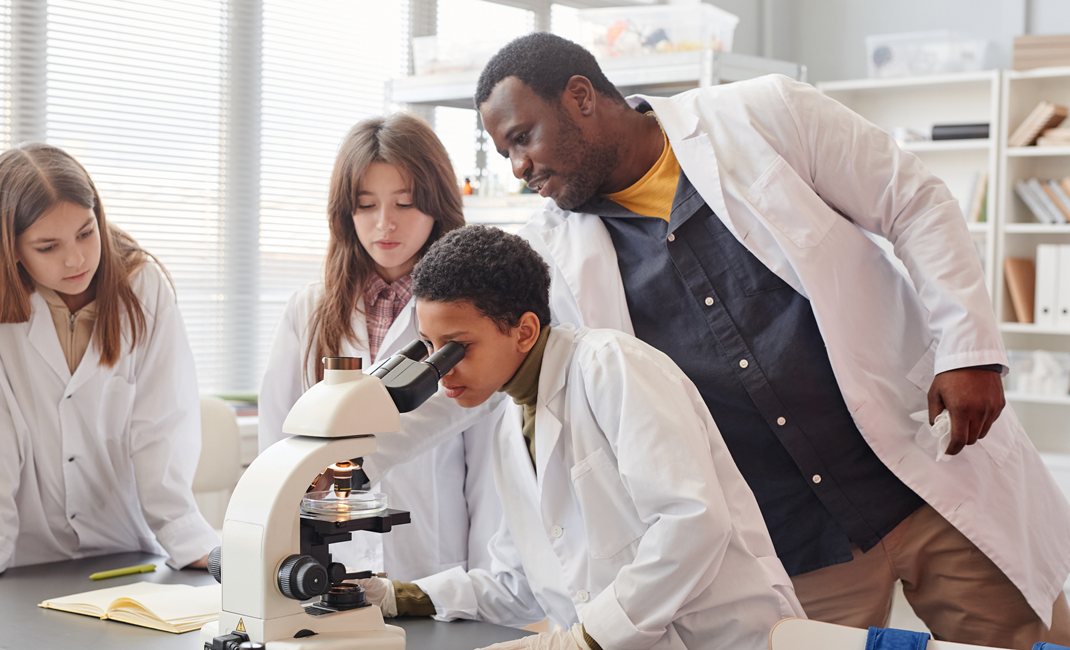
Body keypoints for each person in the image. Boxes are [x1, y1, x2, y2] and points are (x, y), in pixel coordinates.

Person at [471, 32, 1070, 646]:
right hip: (791, 542)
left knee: (1022, 640)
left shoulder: (762, 114)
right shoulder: (549, 255)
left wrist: (969, 351)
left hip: (924, 472)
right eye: (504, 152)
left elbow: (913, 203)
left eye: (523, 137)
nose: (519, 168)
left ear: (580, 97)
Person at [358, 225, 801, 650]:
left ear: (525, 331)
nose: (440, 369)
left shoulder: (612, 367)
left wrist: (585, 640)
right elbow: (521, 583)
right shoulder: (513, 422)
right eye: (428, 345)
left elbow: (693, 523)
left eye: (457, 347)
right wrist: (398, 596)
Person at [0, 143, 218, 581]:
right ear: (11, 247)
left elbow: (161, 425)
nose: (76, 258)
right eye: (48, 246)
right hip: (12, 558)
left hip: (121, 549)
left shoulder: (143, 285)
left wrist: (183, 532)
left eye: (86, 232)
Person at [258, 113, 503, 582]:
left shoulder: (470, 315)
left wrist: (485, 582)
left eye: (405, 203)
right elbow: (278, 440)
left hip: (437, 566)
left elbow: (489, 469)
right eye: (366, 205)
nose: (384, 224)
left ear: (437, 205)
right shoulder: (308, 309)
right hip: (325, 563)